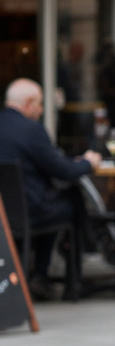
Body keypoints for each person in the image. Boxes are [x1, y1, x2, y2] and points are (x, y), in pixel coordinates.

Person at [0, 78, 101, 299]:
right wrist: (87, 163)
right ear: (28, 103)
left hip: (5, 214)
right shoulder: (31, 130)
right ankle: (69, 279)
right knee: (70, 199)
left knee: (53, 202)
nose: (41, 110)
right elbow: (63, 170)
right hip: (28, 214)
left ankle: (41, 274)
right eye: (39, 104)